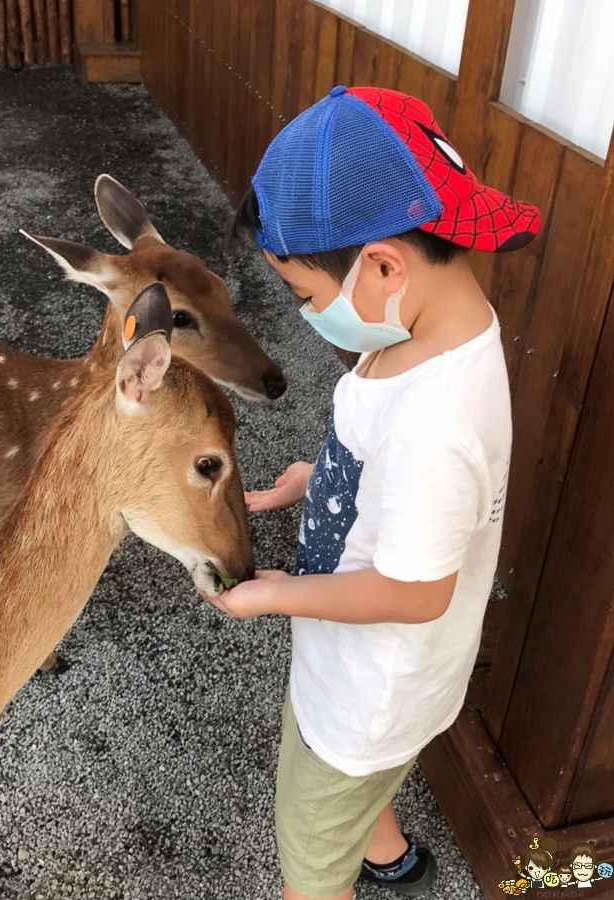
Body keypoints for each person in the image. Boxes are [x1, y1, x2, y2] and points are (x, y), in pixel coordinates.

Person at [212, 86, 541, 900]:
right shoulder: (421, 328)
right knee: (373, 777)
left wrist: (285, 595)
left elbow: (416, 590)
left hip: (363, 695)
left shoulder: (438, 422)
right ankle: (387, 848)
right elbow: (373, 449)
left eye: (306, 298)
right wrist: (313, 480)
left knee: (312, 844)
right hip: (385, 678)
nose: (310, 315)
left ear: (385, 265)